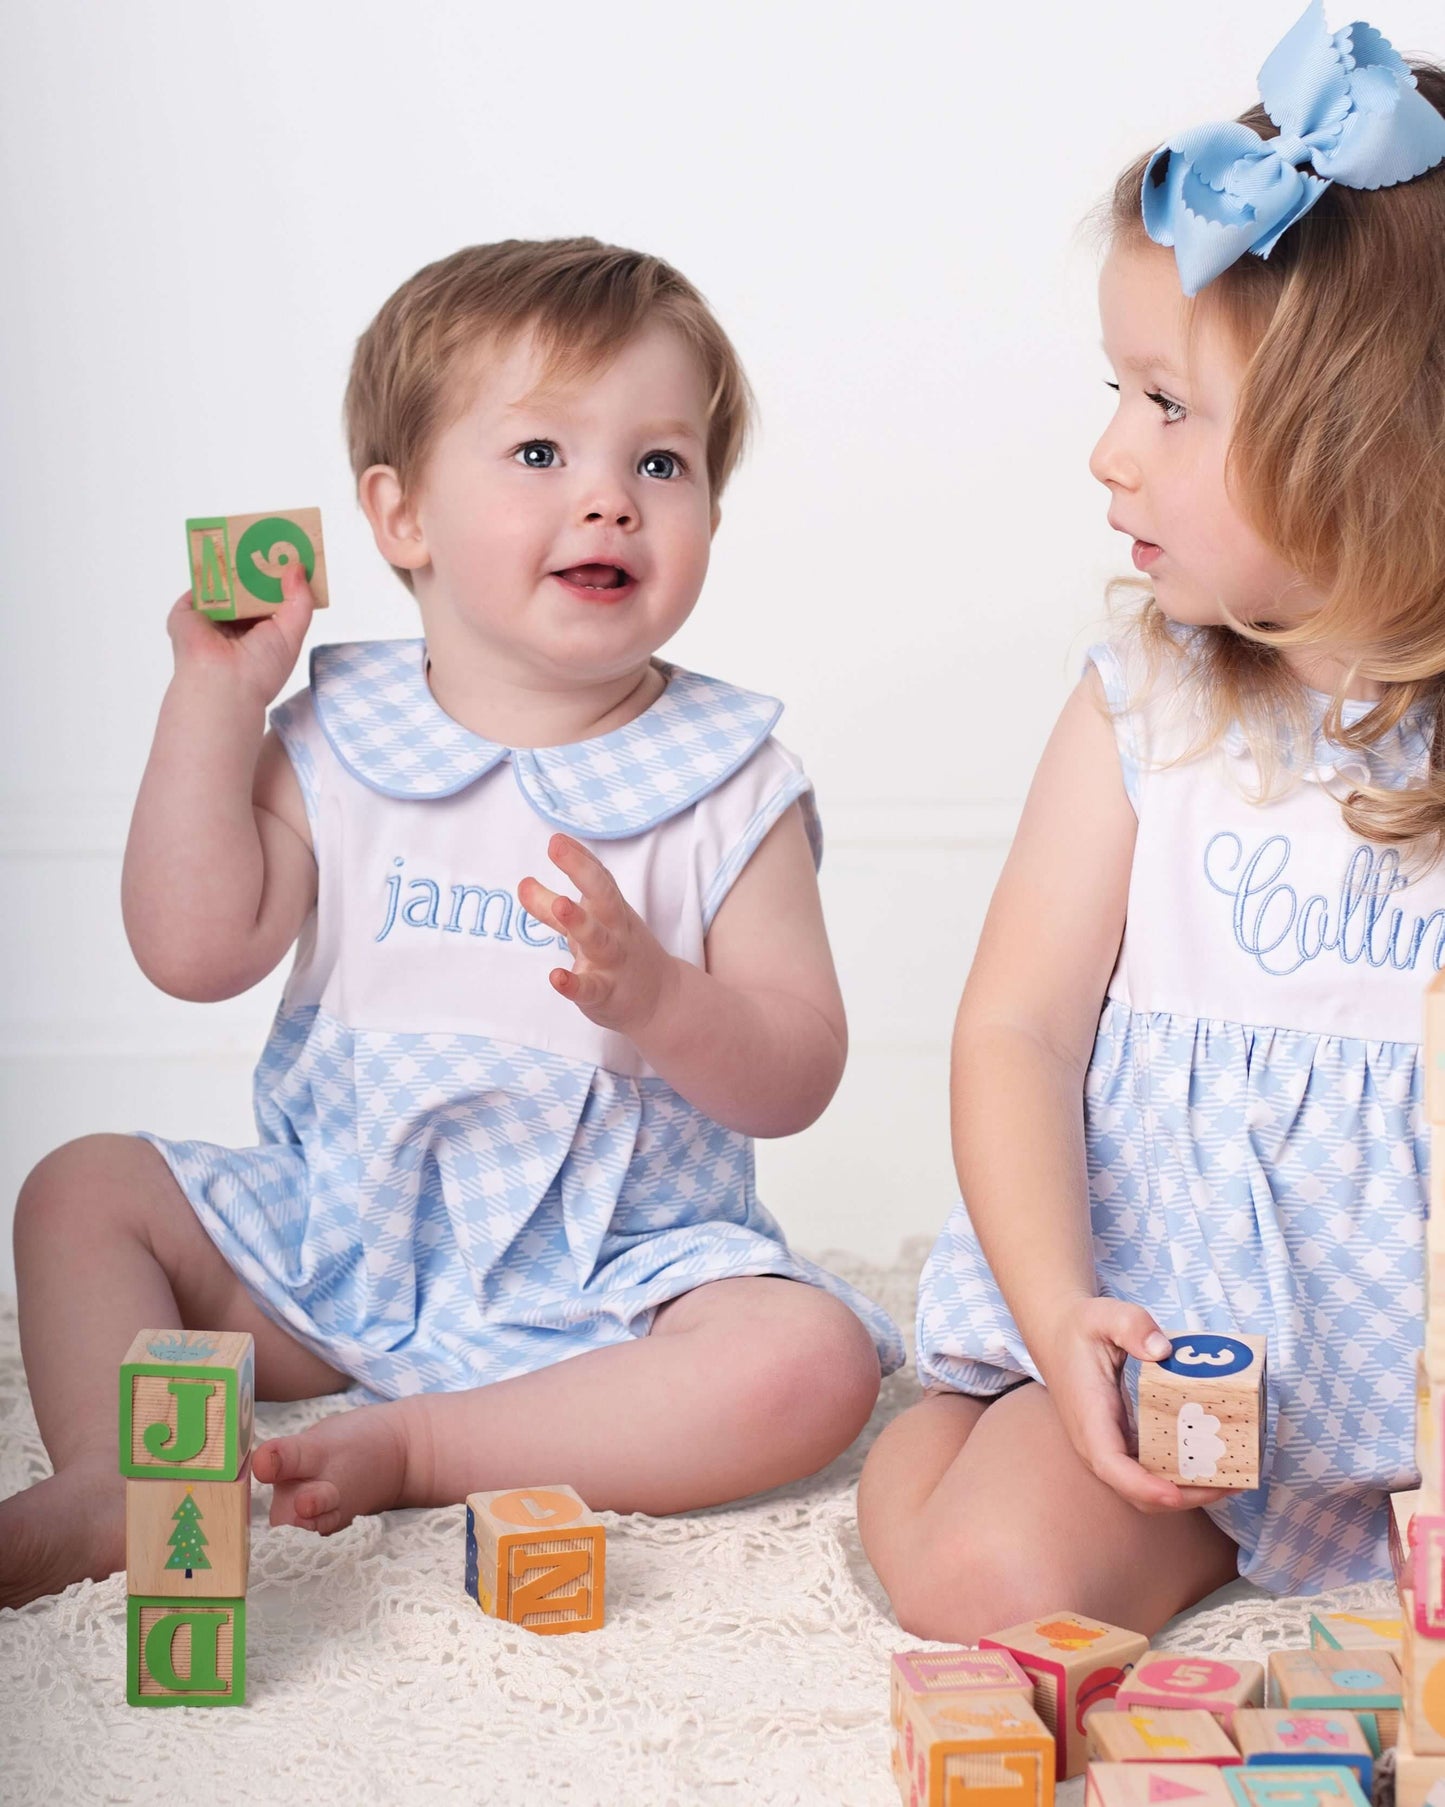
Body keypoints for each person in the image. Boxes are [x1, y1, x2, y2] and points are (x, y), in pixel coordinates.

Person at [1, 237, 903, 1610]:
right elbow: (193, 953)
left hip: (612, 1281)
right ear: (401, 514)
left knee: (808, 1360)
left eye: (659, 464)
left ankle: (429, 1443)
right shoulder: (337, 734)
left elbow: (795, 1075)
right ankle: (116, 1481)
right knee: (81, 1190)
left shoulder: (729, 781)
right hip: (338, 1244)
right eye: (541, 453)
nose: (608, 500)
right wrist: (214, 699)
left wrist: (662, 997)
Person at [858, 3, 1445, 1638]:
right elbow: (1020, 1033)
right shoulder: (1150, 703)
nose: (1107, 456)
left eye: (1167, 406)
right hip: (1160, 1332)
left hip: (1417, 1381)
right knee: (986, 1580)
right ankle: (959, 1433)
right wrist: (1056, 1319)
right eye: (1115, 392)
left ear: (1381, 450)